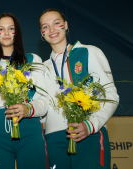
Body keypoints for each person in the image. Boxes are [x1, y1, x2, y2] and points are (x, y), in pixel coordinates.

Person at [39, 8, 119, 169]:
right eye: (45, 26)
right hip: (54, 139)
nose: (51, 29)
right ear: (41, 33)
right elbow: (43, 104)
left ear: (66, 25)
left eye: (56, 23)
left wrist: (90, 125)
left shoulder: (90, 52)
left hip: (88, 133)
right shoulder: (42, 67)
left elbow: (110, 95)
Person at [0, 13, 48, 169]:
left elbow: (45, 101)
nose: (6, 33)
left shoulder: (32, 60)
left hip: (29, 126)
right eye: (1, 29)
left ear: (17, 33)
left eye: (11, 29)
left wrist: (28, 108)